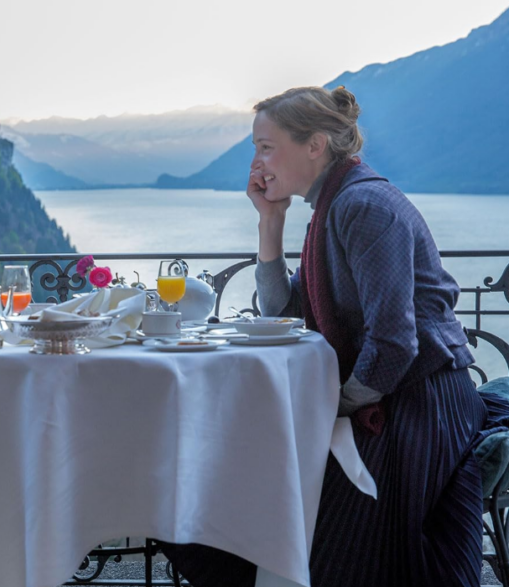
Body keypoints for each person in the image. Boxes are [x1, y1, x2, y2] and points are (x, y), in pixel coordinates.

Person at [164, 86, 488, 586]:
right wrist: (269, 222)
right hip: (389, 393)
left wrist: (331, 406)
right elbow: (286, 309)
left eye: (266, 146)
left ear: (314, 145)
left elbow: (396, 342)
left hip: (419, 405)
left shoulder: (363, 206)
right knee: (252, 479)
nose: (257, 160)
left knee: (288, 505)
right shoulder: (333, 206)